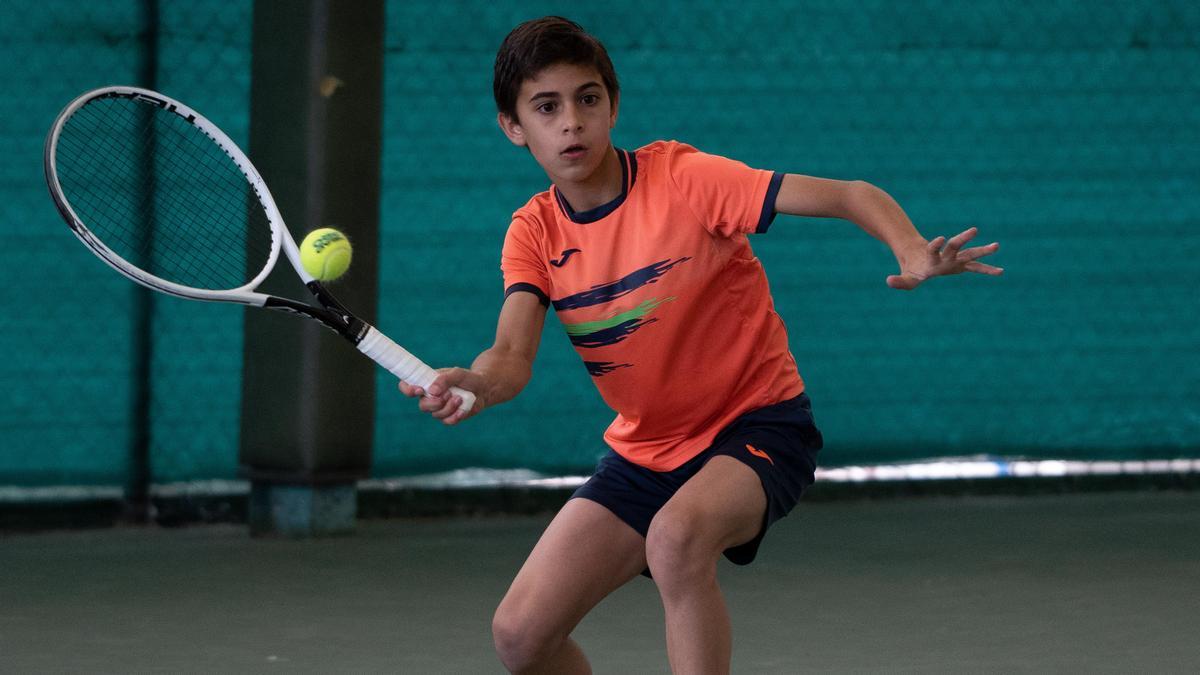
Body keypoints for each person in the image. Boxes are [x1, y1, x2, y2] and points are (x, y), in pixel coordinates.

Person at [398, 16, 1002, 675]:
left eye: (587, 98)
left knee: (677, 537)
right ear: (513, 127)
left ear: (612, 105)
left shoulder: (685, 178)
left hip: (760, 425)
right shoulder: (533, 233)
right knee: (520, 635)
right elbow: (511, 354)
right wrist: (478, 383)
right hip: (647, 453)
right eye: (546, 106)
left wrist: (910, 246)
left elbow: (848, 194)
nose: (571, 121)